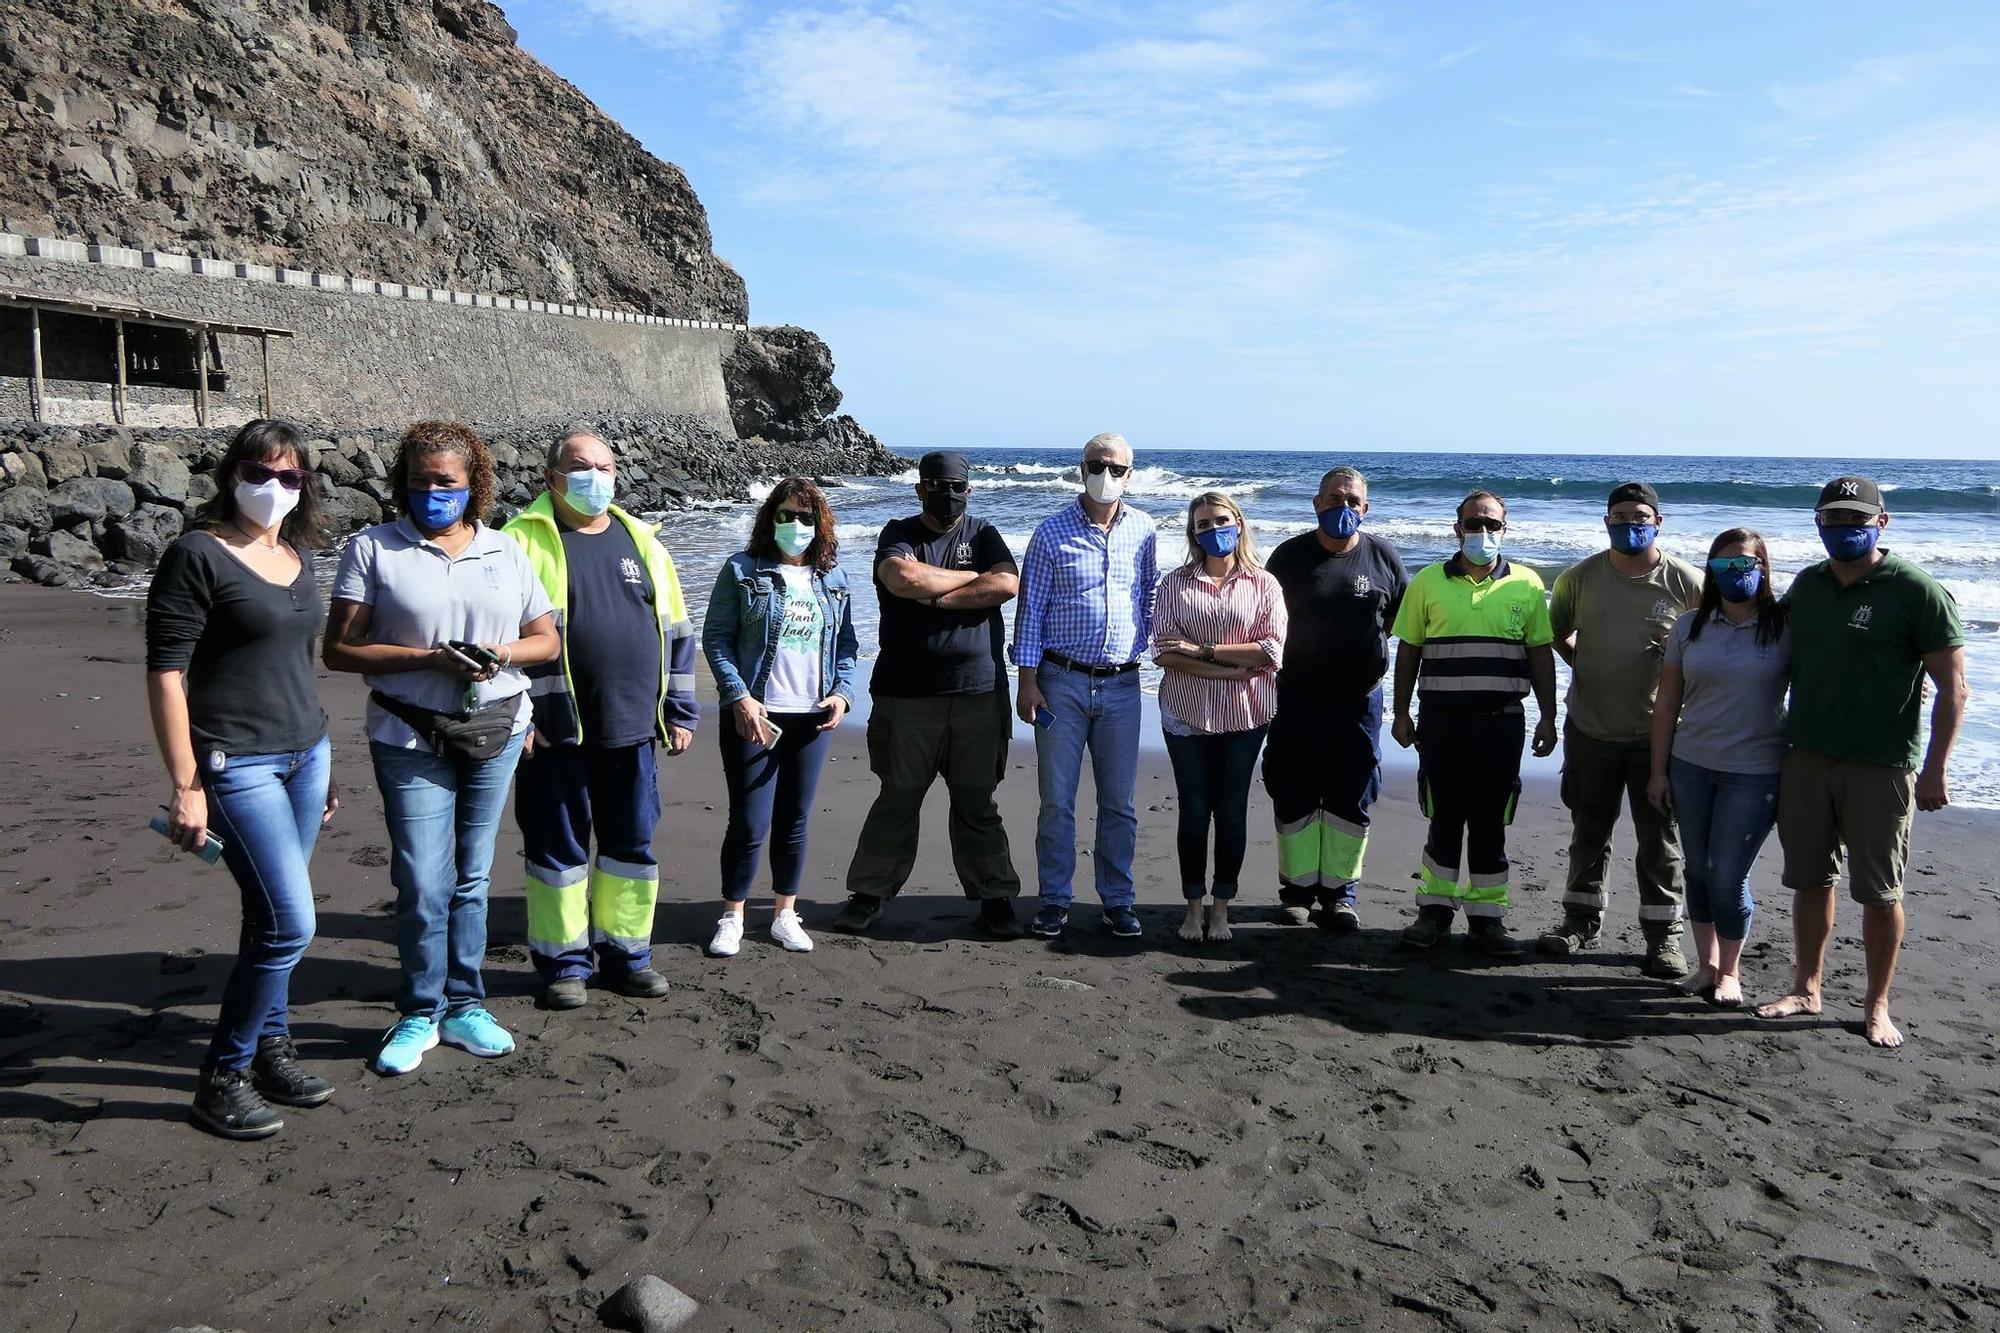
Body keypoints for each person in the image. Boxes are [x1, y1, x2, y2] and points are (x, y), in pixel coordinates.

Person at [325, 421, 560, 1076]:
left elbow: (546, 640)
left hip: (498, 728)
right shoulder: (373, 548)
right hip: (407, 732)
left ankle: (465, 1003)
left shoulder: (506, 551)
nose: (434, 492)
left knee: (474, 874)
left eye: (447, 482)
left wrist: (499, 655)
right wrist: (427, 659)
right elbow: (338, 648)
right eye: (422, 481)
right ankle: (419, 1009)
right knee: (424, 878)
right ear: (405, 482)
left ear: (473, 485)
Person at [145, 419, 339, 1139]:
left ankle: (271, 1048)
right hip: (235, 762)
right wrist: (186, 783)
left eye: (290, 477)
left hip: (304, 755)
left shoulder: (297, 555)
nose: (274, 487)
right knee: (292, 921)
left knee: (267, 920)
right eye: (260, 472)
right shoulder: (196, 555)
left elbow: (296, 668)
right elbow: (166, 673)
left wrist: (325, 762)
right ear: (232, 474)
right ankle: (221, 1075)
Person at [1758, 476, 1966, 1048]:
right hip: (1806, 757)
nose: (1844, 529)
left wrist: (1936, 768)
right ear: (1818, 523)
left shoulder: (1915, 590)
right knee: (1809, 879)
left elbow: (1954, 687)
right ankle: (1806, 987)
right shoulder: (1808, 584)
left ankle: (1877, 1005)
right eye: (1833, 519)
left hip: (1880, 765)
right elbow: (1763, 644)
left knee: (1879, 891)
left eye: (1857, 519)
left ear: (1882, 521)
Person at [503, 428, 699, 1010]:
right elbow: (497, 639)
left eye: (606, 467)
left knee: (631, 848)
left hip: (634, 726)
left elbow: (678, 634)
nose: (596, 477)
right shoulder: (518, 541)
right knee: (557, 851)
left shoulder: (642, 540)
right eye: (581, 466)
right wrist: (519, 714)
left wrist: (680, 710)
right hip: (554, 728)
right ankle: (564, 964)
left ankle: (627, 955)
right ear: (551, 475)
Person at [836, 451, 1025, 938]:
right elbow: (903, 577)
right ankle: (869, 893)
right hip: (905, 694)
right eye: (939, 485)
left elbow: (1005, 584)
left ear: (970, 488)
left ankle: (995, 897)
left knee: (977, 802)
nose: (949, 494)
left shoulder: (983, 533)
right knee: (898, 797)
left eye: (958, 485)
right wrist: (968, 580)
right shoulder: (898, 532)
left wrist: (937, 597)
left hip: (978, 694)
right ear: (920, 488)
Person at [1538, 482, 1703, 977]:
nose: (1629, 524)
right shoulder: (1579, 578)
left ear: (1659, 521)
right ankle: (1580, 922)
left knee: (1661, 841)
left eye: (1639, 516)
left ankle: (1663, 938)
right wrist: (1583, 665)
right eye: (1619, 517)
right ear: (1605, 521)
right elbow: (1555, 634)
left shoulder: (1688, 582)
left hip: (1658, 739)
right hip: (1590, 729)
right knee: (1589, 830)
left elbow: (1713, 645)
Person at [1389, 490, 1557, 956]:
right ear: (1457, 527)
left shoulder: (1526, 583)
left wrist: (1549, 715)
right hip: (1441, 722)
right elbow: (1409, 650)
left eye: (1492, 525)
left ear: (1505, 528)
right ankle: (1434, 914)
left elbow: (1539, 652)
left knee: (1491, 822)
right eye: (1474, 523)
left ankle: (1487, 919)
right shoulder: (1427, 581)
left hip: (1502, 723)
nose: (1483, 533)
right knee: (1443, 818)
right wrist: (1400, 712)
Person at [701, 478, 858, 958]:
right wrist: (740, 698)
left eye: (806, 518)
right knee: (749, 821)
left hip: (811, 718)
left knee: (794, 819)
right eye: (786, 515)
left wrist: (843, 695)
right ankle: (732, 916)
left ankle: (785, 913)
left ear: (820, 525)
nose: (795, 525)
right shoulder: (743, 570)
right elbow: (717, 639)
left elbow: (847, 645)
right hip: (756, 715)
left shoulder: (833, 578)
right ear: (770, 520)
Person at [1012, 433, 1159, 939]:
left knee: (1119, 802)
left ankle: (1118, 899)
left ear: (1130, 474)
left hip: (1122, 686)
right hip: (1060, 683)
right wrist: (1026, 682)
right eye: (1098, 465)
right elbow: (1029, 612)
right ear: (1081, 469)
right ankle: (1054, 898)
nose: (1107, 474)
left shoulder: (1144, 529)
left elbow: (1150, 597)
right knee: (1057, 800)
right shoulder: (1051, 532)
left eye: (1116, 468)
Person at [1646, 529, 1789, 1007]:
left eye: (1744, 565)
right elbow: (1666, 703)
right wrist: (1658, 771)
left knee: (1728, 875)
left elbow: (1833, 677)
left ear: (1763, 568)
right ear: (1711, 572)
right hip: (1690, 765)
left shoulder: (1786, 625)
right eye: (1723, 567)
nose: (1734, 574)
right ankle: (1706, 966)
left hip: (1755, 771)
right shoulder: (1690, 626)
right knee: (1698, 872)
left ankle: (1731, 972)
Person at [1261, 466, 1407, 934]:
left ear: (1365, 509)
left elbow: (1403, 627)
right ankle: (1298, 893)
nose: (1342, 508)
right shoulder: (1288, 557)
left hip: (1358, 704)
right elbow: (1263, 621)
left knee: (1352, 794)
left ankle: (1341, 895)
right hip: (1294, 699)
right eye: (1333, 499)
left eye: (1352, 502)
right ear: (1316, 503)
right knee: (1293, 791)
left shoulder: (1383, 558)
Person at [1153, 492, 1287, 942]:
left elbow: (1271, 650)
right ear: (1193, 533)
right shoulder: (1175, 583)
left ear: (1239, 523)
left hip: (1247, 715)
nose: (1213, 530)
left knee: (1230, 812)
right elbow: (1167, 653)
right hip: (1185, 714)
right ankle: (1193, 908)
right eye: (1203, 524)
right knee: (1194, 812)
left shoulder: (1264, 584)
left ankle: (1222, 908)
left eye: (1221, 521)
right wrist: (1230, 670)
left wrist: (1204, 651)